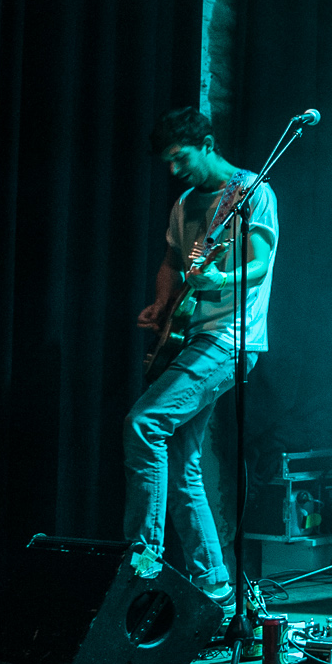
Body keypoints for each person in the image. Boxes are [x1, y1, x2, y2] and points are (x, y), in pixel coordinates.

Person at [126, 108, 279, 613]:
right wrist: (161, 304)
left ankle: (141, 564)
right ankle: (215, 588)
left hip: (232, 339)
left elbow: (259, 264)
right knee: (181, 461)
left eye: (181, 158)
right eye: (168, 162)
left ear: (207, 144)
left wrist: (220, 280)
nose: (175, 170)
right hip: (193, 335)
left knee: (144, 424)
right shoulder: (185, 203)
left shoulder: (252, 191)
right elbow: (172, 261)